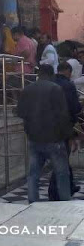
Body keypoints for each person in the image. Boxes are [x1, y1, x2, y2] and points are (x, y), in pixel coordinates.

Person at [16, 63, 73, 203]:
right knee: (62, 173)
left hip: (34, 138)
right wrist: (68, 136)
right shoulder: (56, 89)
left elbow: (20, 112)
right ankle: (64, 201)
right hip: (54, 138)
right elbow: (63, 116)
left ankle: (32, 200)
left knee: (33, 174)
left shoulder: (27, 89)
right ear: (51, 74)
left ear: (39, 74)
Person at [48, 61, 82, 200]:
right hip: (64, 128)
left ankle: (70, 185)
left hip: (46, 127)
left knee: (61, 160)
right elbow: (75, 108)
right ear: (68, 71)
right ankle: (56, 193)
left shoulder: (49, 83)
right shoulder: (68, 85)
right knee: (61, 160)